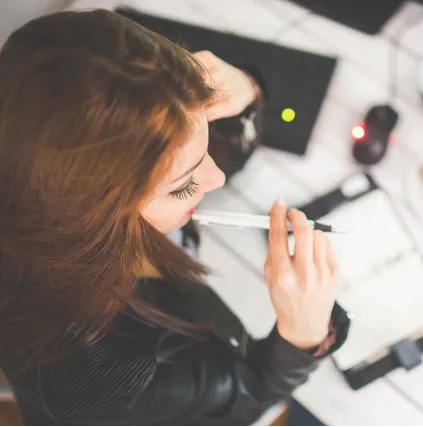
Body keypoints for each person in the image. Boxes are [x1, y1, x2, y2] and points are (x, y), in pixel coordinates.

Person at [0, 8, 349, 425]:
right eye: (183, 185)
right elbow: (247, 399)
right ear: (95, 214)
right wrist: (303, 335)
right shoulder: (108, 376)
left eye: (207, 127)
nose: (216, 178)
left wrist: (246, 89)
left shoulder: (38, 154)